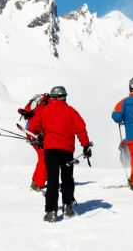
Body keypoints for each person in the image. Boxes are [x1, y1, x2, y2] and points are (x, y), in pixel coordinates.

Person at [28, 85, 92, 223]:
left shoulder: (45, 111)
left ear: (52, 97)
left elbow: (33, 126)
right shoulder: (71, 111)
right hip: (67, 150)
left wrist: (38, 136)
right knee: (67, 178)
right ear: (64, 97)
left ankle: (51, 212)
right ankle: (67, 207)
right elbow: (81, 128)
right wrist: (85, 145)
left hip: (50, 150)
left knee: (52, 180)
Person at [18, 93, 51, 192]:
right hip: (35, 134)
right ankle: (38, 184)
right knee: (45, 158)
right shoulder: (47, 105)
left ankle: (36, 181)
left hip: (31, 132)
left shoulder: (41, 105)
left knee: (43, 157)